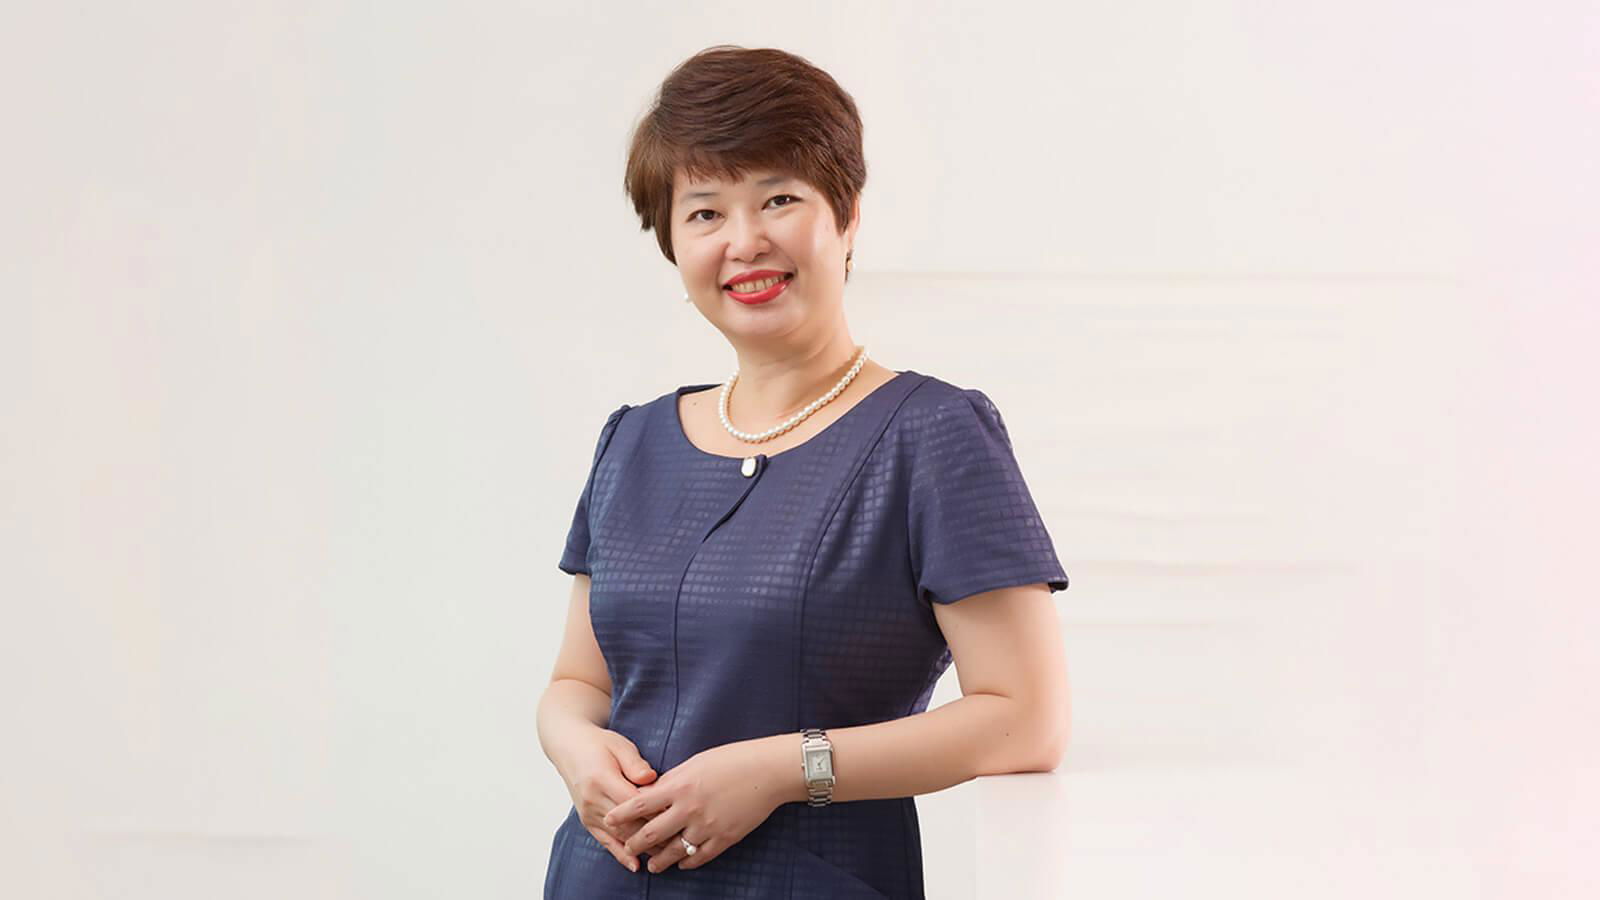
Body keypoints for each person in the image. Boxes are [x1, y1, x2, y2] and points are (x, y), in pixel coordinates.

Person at [537, 45, 1071, 899]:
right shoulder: (632, 442)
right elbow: (579, 682)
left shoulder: (932, 434)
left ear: (846, 216)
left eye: (778, 199)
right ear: (672, 244)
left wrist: (783, 770)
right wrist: (572, 747)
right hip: (598, 878)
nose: (744, 241)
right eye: (704, 213)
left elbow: (1026, 720)